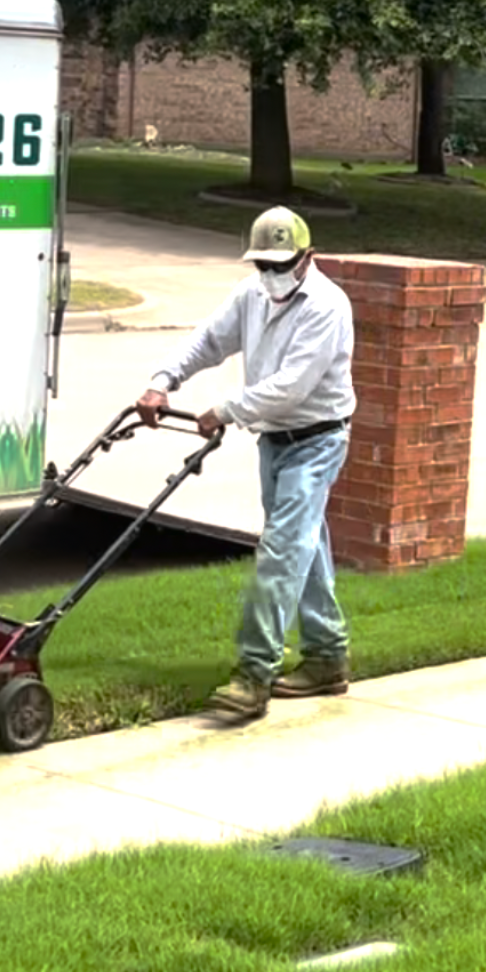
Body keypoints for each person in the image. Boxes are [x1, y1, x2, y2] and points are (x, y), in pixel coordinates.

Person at [136, 205, 357, 721]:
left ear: (308, 258)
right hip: (275, 440)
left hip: (318, 439)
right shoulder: (251, 294)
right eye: (264, 264)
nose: (272, 275)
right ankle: (328, 656)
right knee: (305, 546)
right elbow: (210, 340)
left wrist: (225, 410)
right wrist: (162, 381)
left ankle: (254, 675)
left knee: (281, 551)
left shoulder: (328, 306)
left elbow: (292, 386)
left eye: (282, 265)